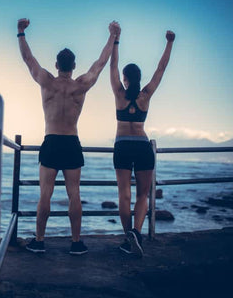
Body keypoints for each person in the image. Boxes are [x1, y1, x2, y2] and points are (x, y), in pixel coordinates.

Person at [17, 18, 120, 255]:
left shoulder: (46, 81)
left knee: (45, 194)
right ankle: (75, 243)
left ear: (56, 64)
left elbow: (28, 59)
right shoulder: (81, 85)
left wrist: (21, 32)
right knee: (74, 194)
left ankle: (40, 241)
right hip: (71, 142)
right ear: (74, 65)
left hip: (52, 141)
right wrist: (112, 36)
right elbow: (101, 63)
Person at [110, 29, 175, 257]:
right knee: (142, 196)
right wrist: (169, 43)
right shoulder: (145, 95)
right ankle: (137, 233)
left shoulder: (119, 94)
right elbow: (160, 69)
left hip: (123, 146)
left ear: (126, 79)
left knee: (124, 196)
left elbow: (112, 66)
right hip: (143, 146)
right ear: (139, 78)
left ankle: (129, 238)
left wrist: (116, 39)